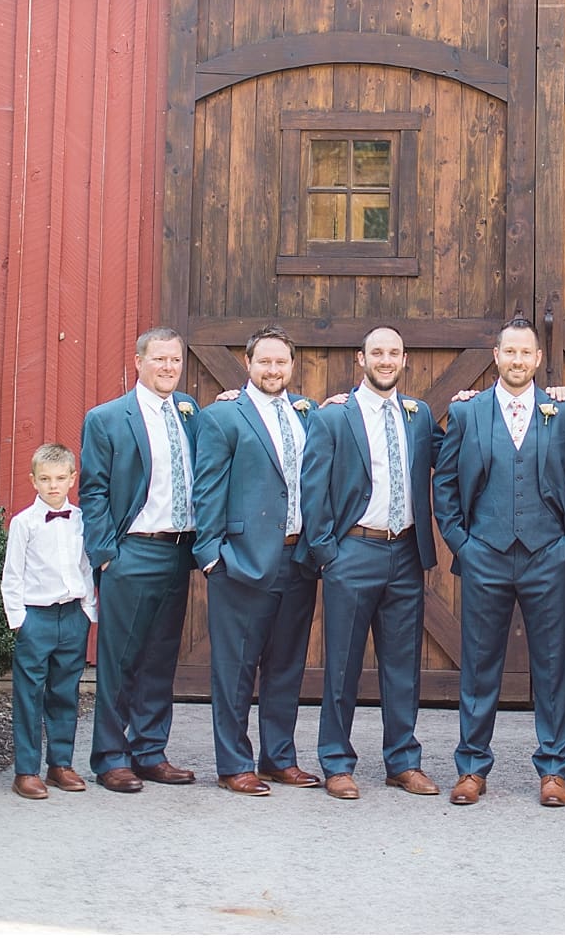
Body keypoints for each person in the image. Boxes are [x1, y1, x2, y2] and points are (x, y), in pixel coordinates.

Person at [433, 316, 565, 807]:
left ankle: (553, 769)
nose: (518, 361)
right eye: (510, 352)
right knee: (479, 667)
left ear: (539, 359)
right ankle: (470, 768)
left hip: (547, 556)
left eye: (527, 353)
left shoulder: (563, 412)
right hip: (484, 554)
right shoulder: (467, 412)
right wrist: (461, 543)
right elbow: (444, 485)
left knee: (552, 667)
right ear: (497, 356)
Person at [300, 325, 441, 799]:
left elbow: (455, 450)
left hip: (404, 550)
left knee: (403, 665)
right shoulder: (335, 417)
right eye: (376, 352)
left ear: (405, 360)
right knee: (342, 665)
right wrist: (327, 553)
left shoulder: (418, 415)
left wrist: (467, 401)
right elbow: (313, 488)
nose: (386, 360)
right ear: (361, 359)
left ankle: (402, 760)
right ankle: (337, 762)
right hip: (352, 551)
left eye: (394, 353)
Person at [192, 327, 321, 793]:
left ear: (291, 365)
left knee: (286, 665)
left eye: (281, 363)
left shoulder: (307, 413)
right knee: (236, 667)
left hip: (298, 559)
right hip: (241, 561)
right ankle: (233, 764)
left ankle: (278, 757)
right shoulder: (224, 417)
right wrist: (210, 555)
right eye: (264, 362)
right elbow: (205, 489)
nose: (272, 370)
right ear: (248, 364)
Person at [77, 327, 201, 792]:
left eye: (175, 360)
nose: (168, 368)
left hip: (177, 551)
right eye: (159, 360)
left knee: (159, 658)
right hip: (131, 551)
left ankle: (150, 750)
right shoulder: (108, 418)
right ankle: (110, 757)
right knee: (120, 661)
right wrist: (106, 554)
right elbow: (92, 490)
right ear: (138, 362)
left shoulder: (189, 413)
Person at [1, 444, 97, 800]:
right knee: (29, 694)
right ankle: (26, 770)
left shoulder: (82, 520)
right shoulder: (24, 523)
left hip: (72, 615)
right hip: (36, 617)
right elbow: (12, 575)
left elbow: (85, 567)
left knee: (64, 692)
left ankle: (60, 764)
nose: (53, 486)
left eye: (60, 478)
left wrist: (89, 611)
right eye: (45, 479)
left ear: (72, 479)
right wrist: (19, 621)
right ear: (34, 481)